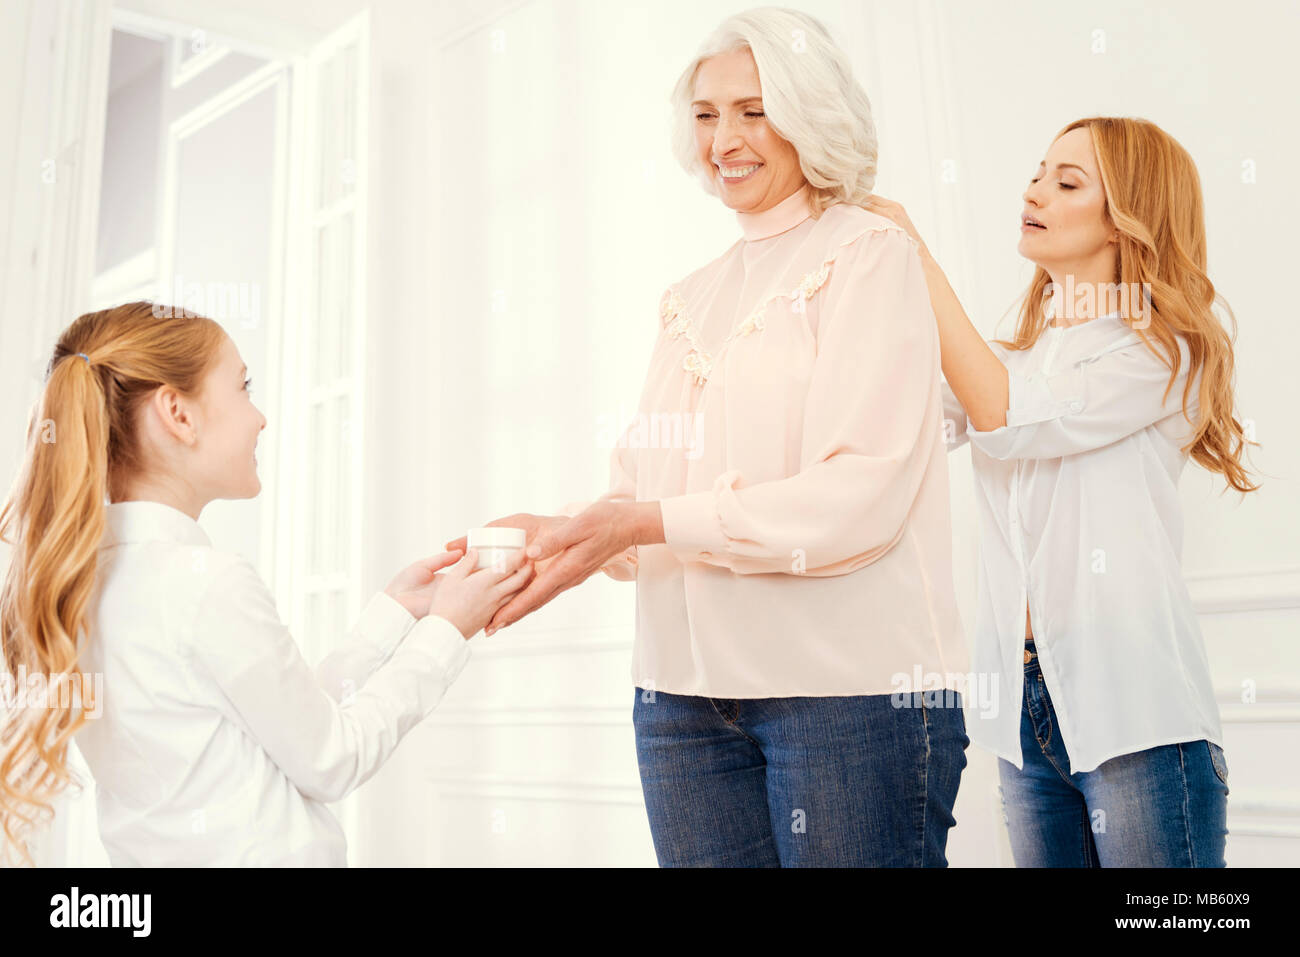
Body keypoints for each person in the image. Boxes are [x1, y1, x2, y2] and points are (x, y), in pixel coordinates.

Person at [449, 8, 969, 866]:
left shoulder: (873, 255)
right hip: (680, 703)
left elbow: (857, 498)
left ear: (812, 113)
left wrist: (643, 523)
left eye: (753, 110)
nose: (722, 139)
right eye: (705, 113)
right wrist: (569, 535)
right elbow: (641, 493)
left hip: (847, 698)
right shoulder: (689, 296)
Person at [0, 301, 531, 866]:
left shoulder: (84, 585)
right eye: (243, 386)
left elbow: (290, 726)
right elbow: (333, 758)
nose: (260, 417)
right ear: (178, 413)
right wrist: (447, 631)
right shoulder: (206, 585)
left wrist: (395, 615)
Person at [866, 116, 1258, 866]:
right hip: (1019, 711)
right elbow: (901, 419)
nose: (1034, 190)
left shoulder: (1161, 349)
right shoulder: (1014, 354)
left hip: (1136, 713)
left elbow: (1006, 417)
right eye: (1039, 172)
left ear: (1127, 220)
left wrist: (918, 258)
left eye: (1067, 181)